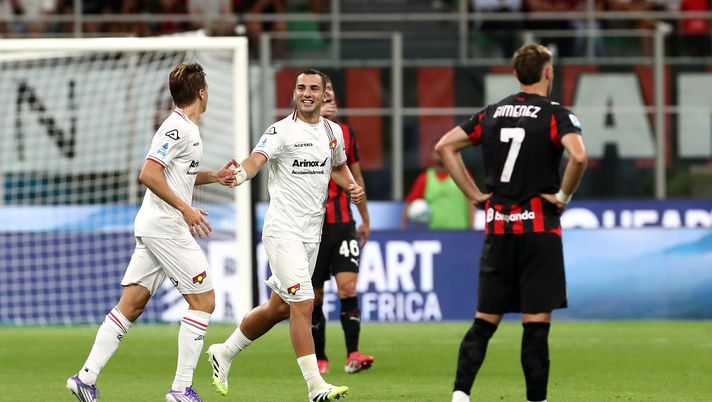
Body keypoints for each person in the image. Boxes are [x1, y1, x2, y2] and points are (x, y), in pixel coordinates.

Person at [66, 63, 238, 402]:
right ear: (202, 93)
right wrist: (186, 209)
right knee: (204, 301)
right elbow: (148, 174)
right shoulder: (177, 129)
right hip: (166, 228)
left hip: (154, 226)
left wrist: (215, 176)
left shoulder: (184, 128)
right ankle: (180, 389)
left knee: (131, 304)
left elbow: (179, 175)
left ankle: (85, 379)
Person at [435, 43, 587, 402]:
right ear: (548, 73)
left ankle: (460, 396)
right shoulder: (555, 114)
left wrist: (474, 194)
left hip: (499, 230)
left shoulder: (492, 113)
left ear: (517, 75)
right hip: (539, 232)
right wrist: (563, 197)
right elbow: (578, 156)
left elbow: (444, 147)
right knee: (535, 325)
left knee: (484, 321)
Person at [206, 68, 364, 402]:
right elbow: (256, 159)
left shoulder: (332, 132)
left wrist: (350, 185)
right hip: (282, 232)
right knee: (304, 303)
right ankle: (315, 386)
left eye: (314, 88)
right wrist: (241, 174)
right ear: (294, 93)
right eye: (301, 87)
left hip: (312, 235)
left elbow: (337, 165)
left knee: (279, 308)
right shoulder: (280, 131)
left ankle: (225, 351)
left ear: (324, 95)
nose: (307, 93)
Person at [311, 76, 374, 375]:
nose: (332, 99)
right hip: (311, 228)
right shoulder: (300, 134)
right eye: (327, 95)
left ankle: (354, 354)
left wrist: (365, 217)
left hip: (343, 224)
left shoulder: (347, 134)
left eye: (333, 94)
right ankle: (319, 356)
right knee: (316, 296)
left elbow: (356, 178)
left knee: (348, 287)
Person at [401, 147, 473, 230]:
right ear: (432, 155)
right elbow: (410, 204)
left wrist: (471, 226)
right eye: (437, 152)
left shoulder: (462, 173)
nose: (439, 155)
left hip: (460, 231)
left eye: (442, 152)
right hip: (435, 233)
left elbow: (471, 202)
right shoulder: (425, 178)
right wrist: (403, 229)